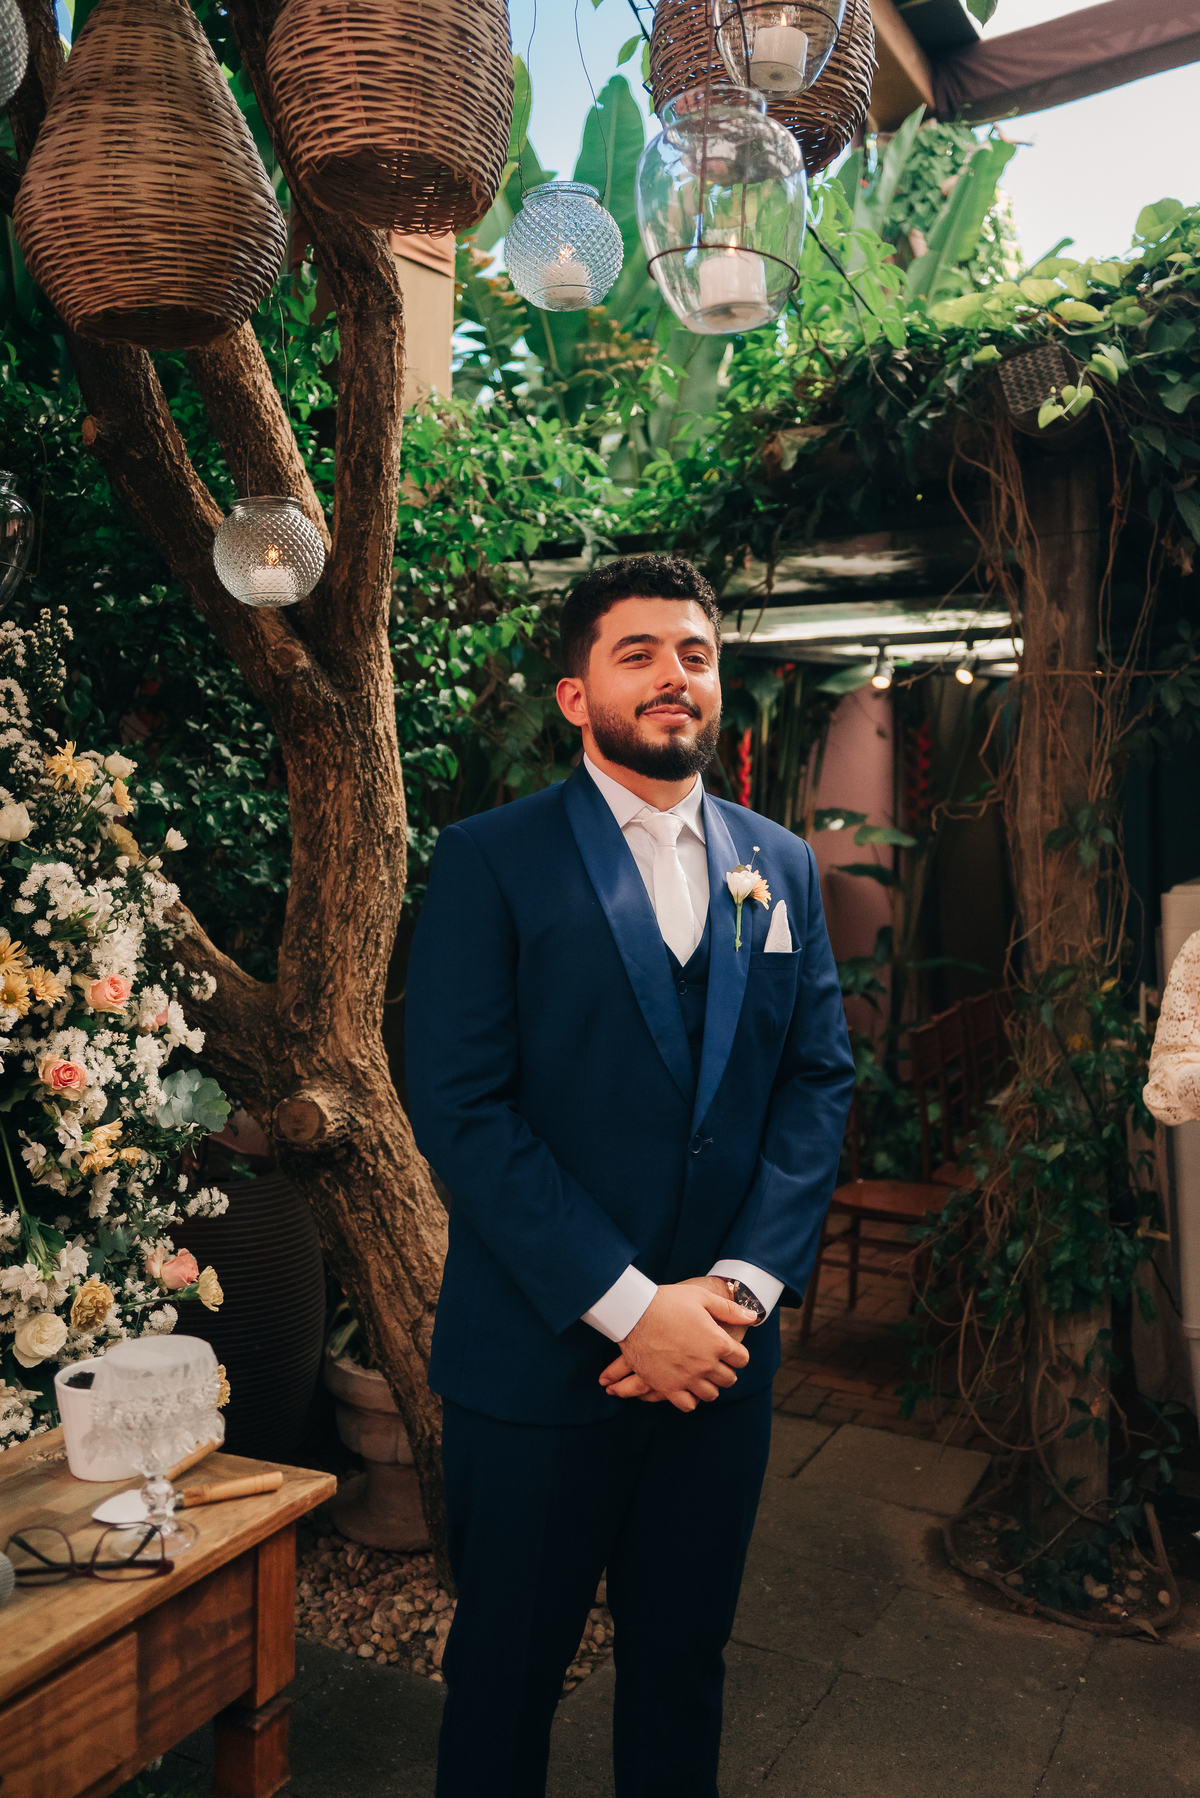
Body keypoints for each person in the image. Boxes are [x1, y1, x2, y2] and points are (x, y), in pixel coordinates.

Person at [405, 553, 855, 1798]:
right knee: (504, 1682)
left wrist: (740, 1290)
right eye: (638, 652)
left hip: (719, 1360)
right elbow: (462, 1108)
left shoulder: (780, 865)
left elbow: (816, 1081)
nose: (673, 675)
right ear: (575, 694)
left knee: (682, 1672)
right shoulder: (491, 859)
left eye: (694, 653)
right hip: (539, 1364)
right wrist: (629, 1305)